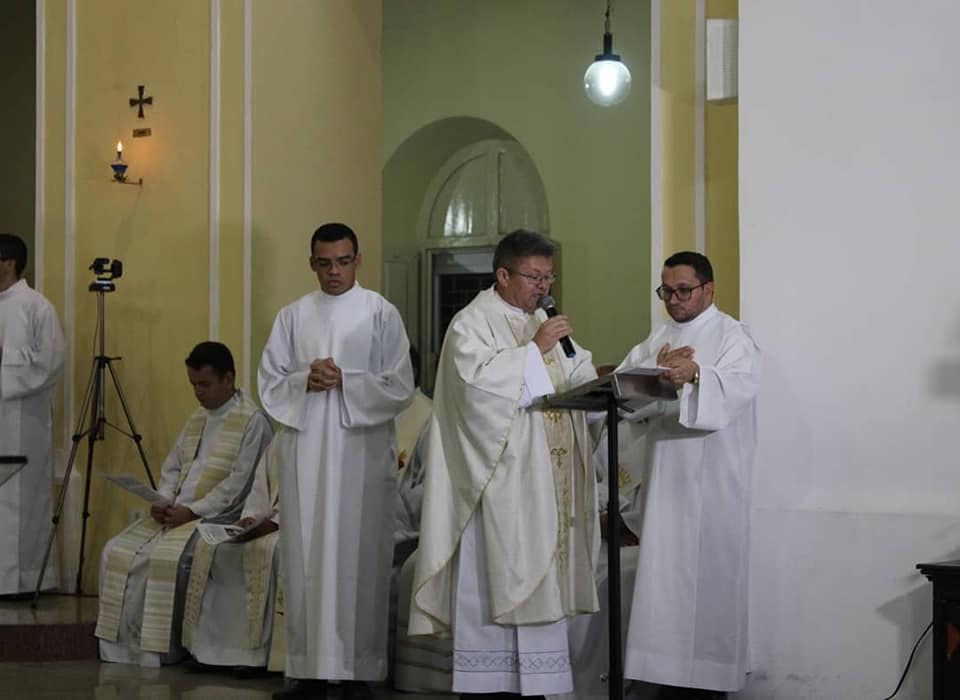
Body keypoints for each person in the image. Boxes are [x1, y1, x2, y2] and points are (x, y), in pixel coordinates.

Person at [410, 229, 600, 698]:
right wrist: (534, 350)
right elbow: (476, 394)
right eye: (534, 276)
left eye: (548, 276)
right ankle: (488, 687)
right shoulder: (471, 324)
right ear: (503, 274)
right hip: (498, 488)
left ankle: (542, 688)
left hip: (546, 485)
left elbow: (576, 380)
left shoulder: (542, 321)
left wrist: (595, 381)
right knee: (496, 581)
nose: (544, 287)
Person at [258, 222, 415, 700]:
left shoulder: (380, 313)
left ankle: (358, 672)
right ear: (312, 264)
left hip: (361, 455)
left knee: (361, 557)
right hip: (307, 453)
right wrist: (305, 379)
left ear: (358, 260)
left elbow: (400, 384)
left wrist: (347, 379)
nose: (334, 272)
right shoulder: (292, 316)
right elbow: (269, 381)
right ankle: (306, 669)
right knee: (306, 557)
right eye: (324, 263)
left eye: (343, 262)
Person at [617, 251, 760, 700]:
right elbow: (625, 389)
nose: (674, 300)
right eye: (666, 291)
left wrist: (697, 372)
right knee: (664, 582)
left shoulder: (732, 334)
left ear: (708, 289)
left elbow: (739, 385)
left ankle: (706, 684)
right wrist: (653, 373)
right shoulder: (659, 336)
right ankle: (664, 677)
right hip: (666, 483)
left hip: (712, 480)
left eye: (683, 290)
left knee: (709, 582)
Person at [95, 341, 272, 666]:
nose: (198, 393)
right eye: (193, 385)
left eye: (204, 385)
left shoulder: (252, 422)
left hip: (214, 518)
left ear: (228, 379)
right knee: (114, 550)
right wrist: (162, 500)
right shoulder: (198, 418)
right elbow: (173, 466)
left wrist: (193, 511)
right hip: (177, 512)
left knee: (164, 559)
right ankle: (120, 649)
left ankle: (157, 652)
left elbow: (239, 483)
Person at [181, 436, 282, 673]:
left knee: (268, 552)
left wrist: (272, 523)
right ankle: (210, 651)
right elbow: (259, 488)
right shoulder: (281, 437)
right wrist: (250, 518)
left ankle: (255, 656)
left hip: (293, 529)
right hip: (264, 522)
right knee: (213, 548)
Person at [0, 233, 65, 595]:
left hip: (25, 421)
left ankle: (25, 580)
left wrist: (5, 365)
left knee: (23, 500)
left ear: (8, 262)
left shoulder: (37, 306)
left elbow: (51, 361)